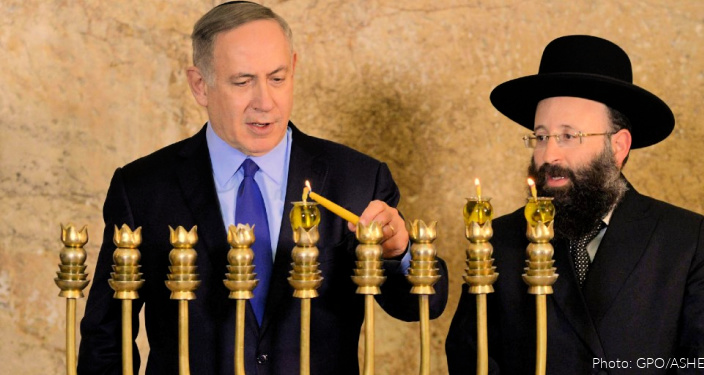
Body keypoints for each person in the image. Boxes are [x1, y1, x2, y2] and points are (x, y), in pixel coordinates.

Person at [78, 2, 448, 374]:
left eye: (277, 78)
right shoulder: (142, 188)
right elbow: (104, 336)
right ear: (199, 85)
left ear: (294, 70)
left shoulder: (357, 178)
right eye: (242, 82)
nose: (265, 102)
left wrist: (399, 253)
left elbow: (423, 305)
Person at [446, 35, 704, 374]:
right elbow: (470, 357)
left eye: (569, 136)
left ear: (618, 146)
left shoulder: (686, 241)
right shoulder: (499, 240)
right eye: (540, 137)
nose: (549, 155)